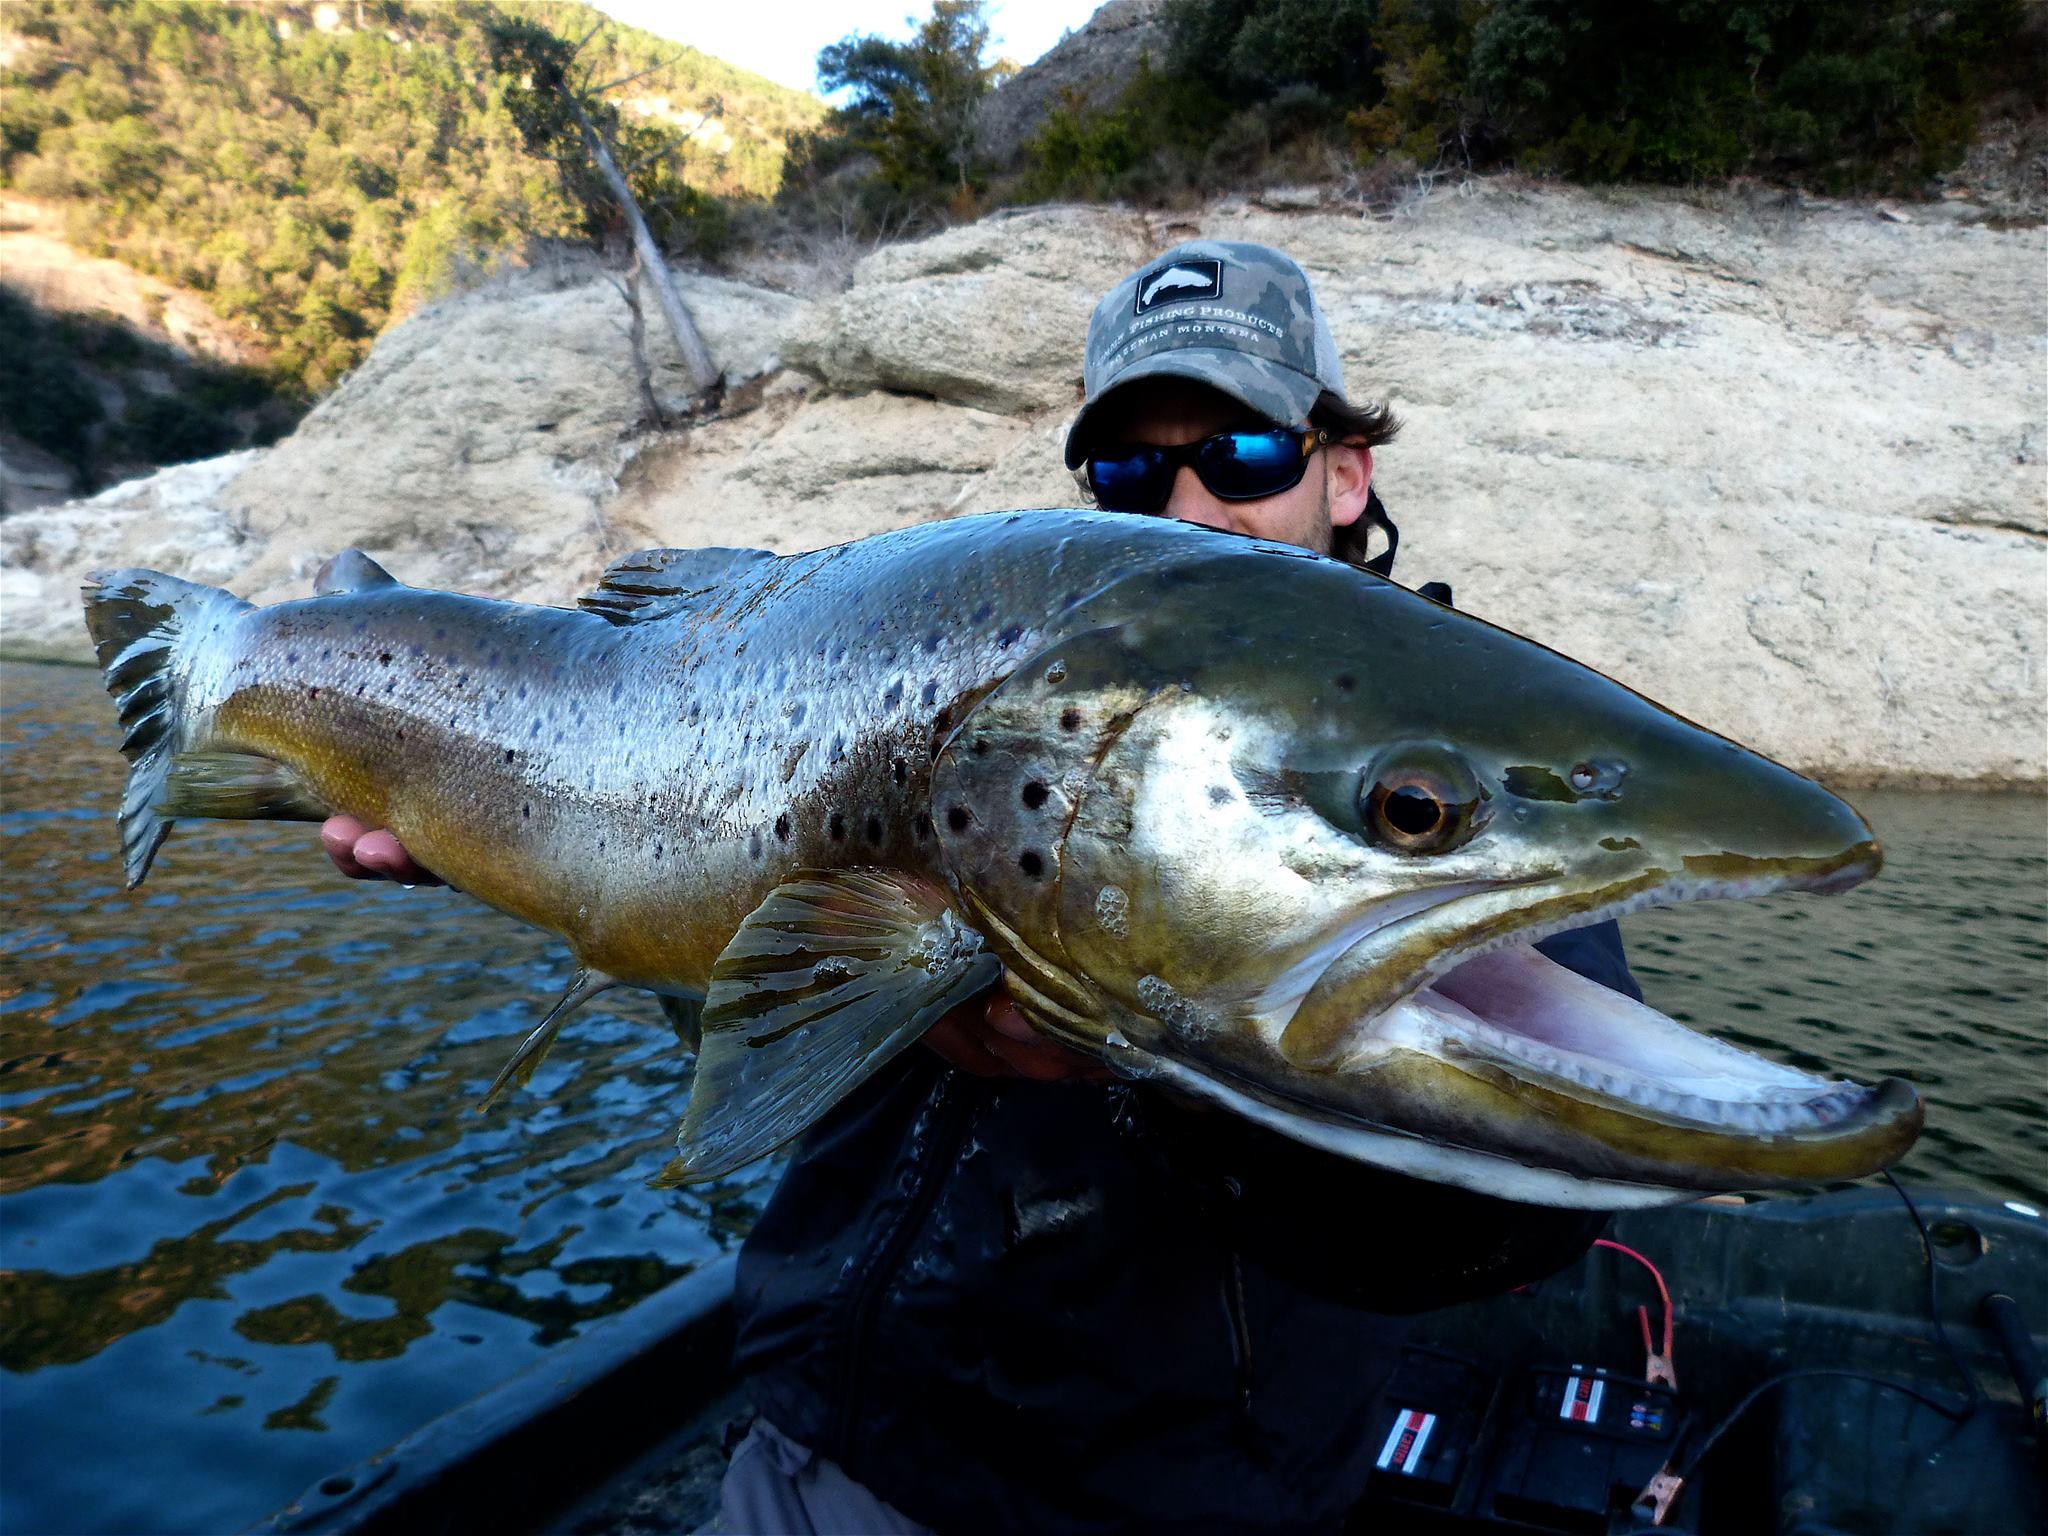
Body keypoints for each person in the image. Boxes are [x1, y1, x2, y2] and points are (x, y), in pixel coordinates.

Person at [323, 241, 1640, 1534]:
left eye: (1243, 455)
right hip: (822, 1451)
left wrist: (1157, 1061)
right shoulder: (1002, 670)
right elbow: (760, 986)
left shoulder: (1443, 770)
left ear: (1344, 474)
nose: (1186, 506)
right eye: (1132, 466)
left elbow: (1531, 1189)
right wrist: (561, 862)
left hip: (1169, 1504)